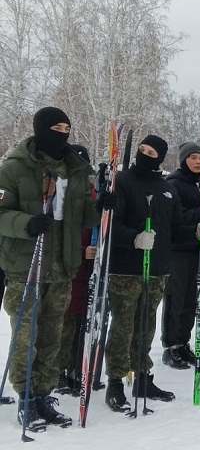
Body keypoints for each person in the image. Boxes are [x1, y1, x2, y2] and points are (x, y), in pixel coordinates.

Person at [0, 107, 99, 431]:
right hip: (26, 264)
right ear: (41, 129)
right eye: (56, 127)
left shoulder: (74, 168)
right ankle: (26, 396)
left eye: (67, 128)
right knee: (27, 334)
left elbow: (81, 216)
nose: (63, 133)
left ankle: (43, 393)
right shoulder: (16, 167)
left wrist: (100, 208)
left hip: (62, 264)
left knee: (52, 336)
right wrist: (26, 223)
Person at [104, 135, 199, 411]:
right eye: (142, 150)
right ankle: (115, 381)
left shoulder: (166, 188)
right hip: (126, 268)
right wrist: (134, 238)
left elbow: (175, 229)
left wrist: (196, 232)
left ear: (161, 157)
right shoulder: (123, 181)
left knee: (146, 327)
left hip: (157, 269)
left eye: (152, 152)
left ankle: (143, 375)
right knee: (123, 327)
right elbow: (112, 224)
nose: (146, 155)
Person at [161, 142, 200, 369]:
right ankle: (170, 346)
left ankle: (183, 342)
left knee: (191, 299)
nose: (198, 162)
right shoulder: (174, 184)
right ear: (183, 160)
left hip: (197, 248)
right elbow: (177, 217)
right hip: (178, 249)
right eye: (193, 158)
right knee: (176, 298)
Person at [54, 145, 97, 396]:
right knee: (65, 323)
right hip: (67, 269)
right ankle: (58, 370)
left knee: (83, 322)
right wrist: (81, 251)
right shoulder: (61, 193)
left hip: (89, 271)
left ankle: (75, 368)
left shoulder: (92, 194)